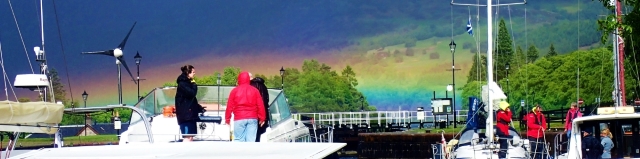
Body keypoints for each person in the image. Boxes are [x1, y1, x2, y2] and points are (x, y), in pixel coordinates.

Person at [225, 71, 266, 142]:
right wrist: (262, 118)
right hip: (252, 118)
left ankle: (240, 153)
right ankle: (249, 153)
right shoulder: (255, 90)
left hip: (239, 118)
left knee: (239, 140)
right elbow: (260, 105)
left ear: (239, 79)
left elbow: (229, 106)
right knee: (251, 140)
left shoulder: (234, 91)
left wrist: (227, 119)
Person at [175, 65, 204, 142]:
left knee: (191, 136)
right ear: (188, 72)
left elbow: (190, 100)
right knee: (187, 137)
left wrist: (199, 108)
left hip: (190, 115)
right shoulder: (183, 84)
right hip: (185, 116)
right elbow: (192, 93)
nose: (194, 74)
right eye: (193, 72)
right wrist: (194, 84)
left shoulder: (187, 83)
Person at [250, 77, 270, 142]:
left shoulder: (251, 86)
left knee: (251, 134)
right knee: (258, 134)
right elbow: (266, 100)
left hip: (253, 113)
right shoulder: (264, 86)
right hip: (263, 113)